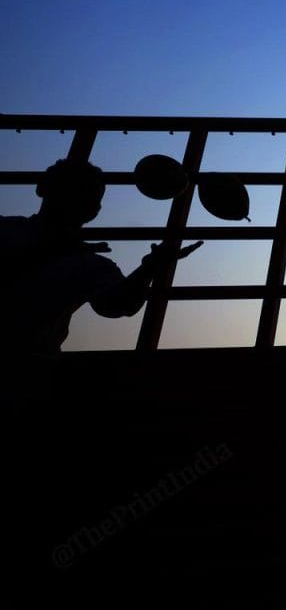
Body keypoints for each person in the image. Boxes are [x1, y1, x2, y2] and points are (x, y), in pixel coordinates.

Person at [0, 156, 201, 607]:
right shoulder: (85, 263)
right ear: (93, 210)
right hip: (25, 387)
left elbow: (116, 305)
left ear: (40, 189)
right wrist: (155, 265)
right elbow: (118, 307)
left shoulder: (14, 234)